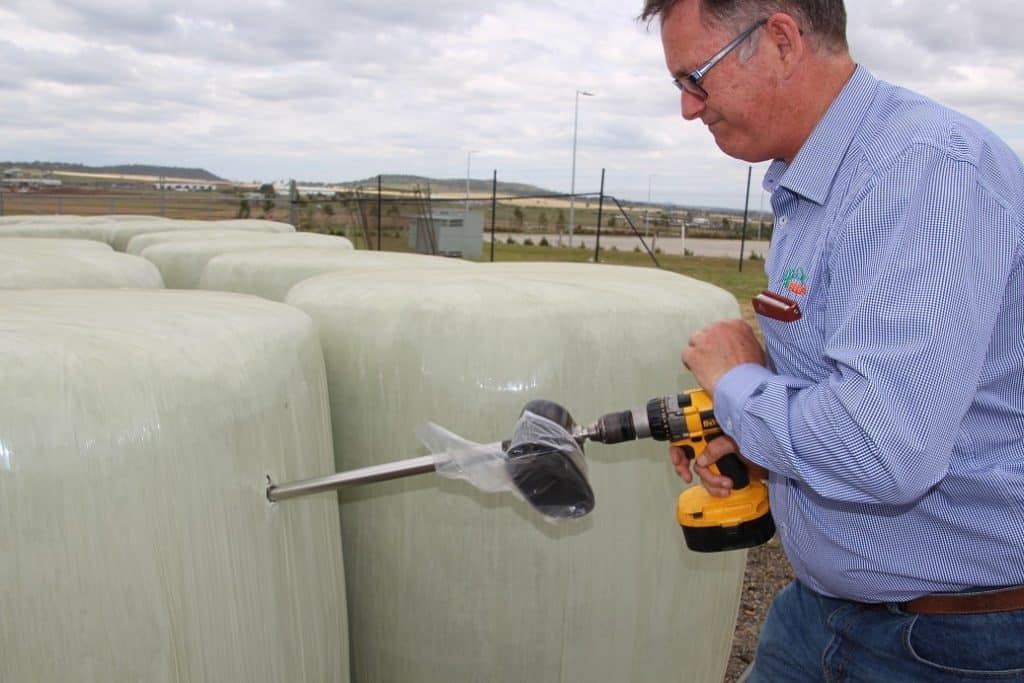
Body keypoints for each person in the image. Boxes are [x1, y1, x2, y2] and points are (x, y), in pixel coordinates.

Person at [640, 0, 1024, 680]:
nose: (689, 110)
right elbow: (841, 386)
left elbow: (883, 445)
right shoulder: (815, 183)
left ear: (781, 40)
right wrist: (757, 442)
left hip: (949, 641)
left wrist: (736, 384)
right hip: (823, 612)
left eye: (694, 79)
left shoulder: (925, 174)